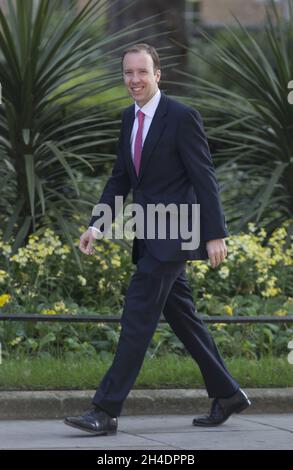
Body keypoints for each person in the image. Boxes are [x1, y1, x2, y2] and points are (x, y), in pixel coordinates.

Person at [64, 43, 251, 436]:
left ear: (157, 75)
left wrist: (215, 233)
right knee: (182, 318)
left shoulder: (182, 117)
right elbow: (120, 178)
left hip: (174, 236)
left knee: (137, 317)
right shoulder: (127, 118)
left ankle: (105, 409)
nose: (134, 80)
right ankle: (228, 392)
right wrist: (97, 226)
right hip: (148, 234)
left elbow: (205, 178)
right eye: (128, 73)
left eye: (142, 72)